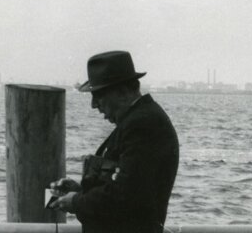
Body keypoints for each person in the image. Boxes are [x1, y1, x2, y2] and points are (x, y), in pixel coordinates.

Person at [49, 50, 179, 233]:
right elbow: (128, 186)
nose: (94, 105)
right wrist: (81, 191)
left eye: (98, 96)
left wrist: (77, 201)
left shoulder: (142, 124)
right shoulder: (138, 120)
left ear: (123, 92)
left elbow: (126, 196)